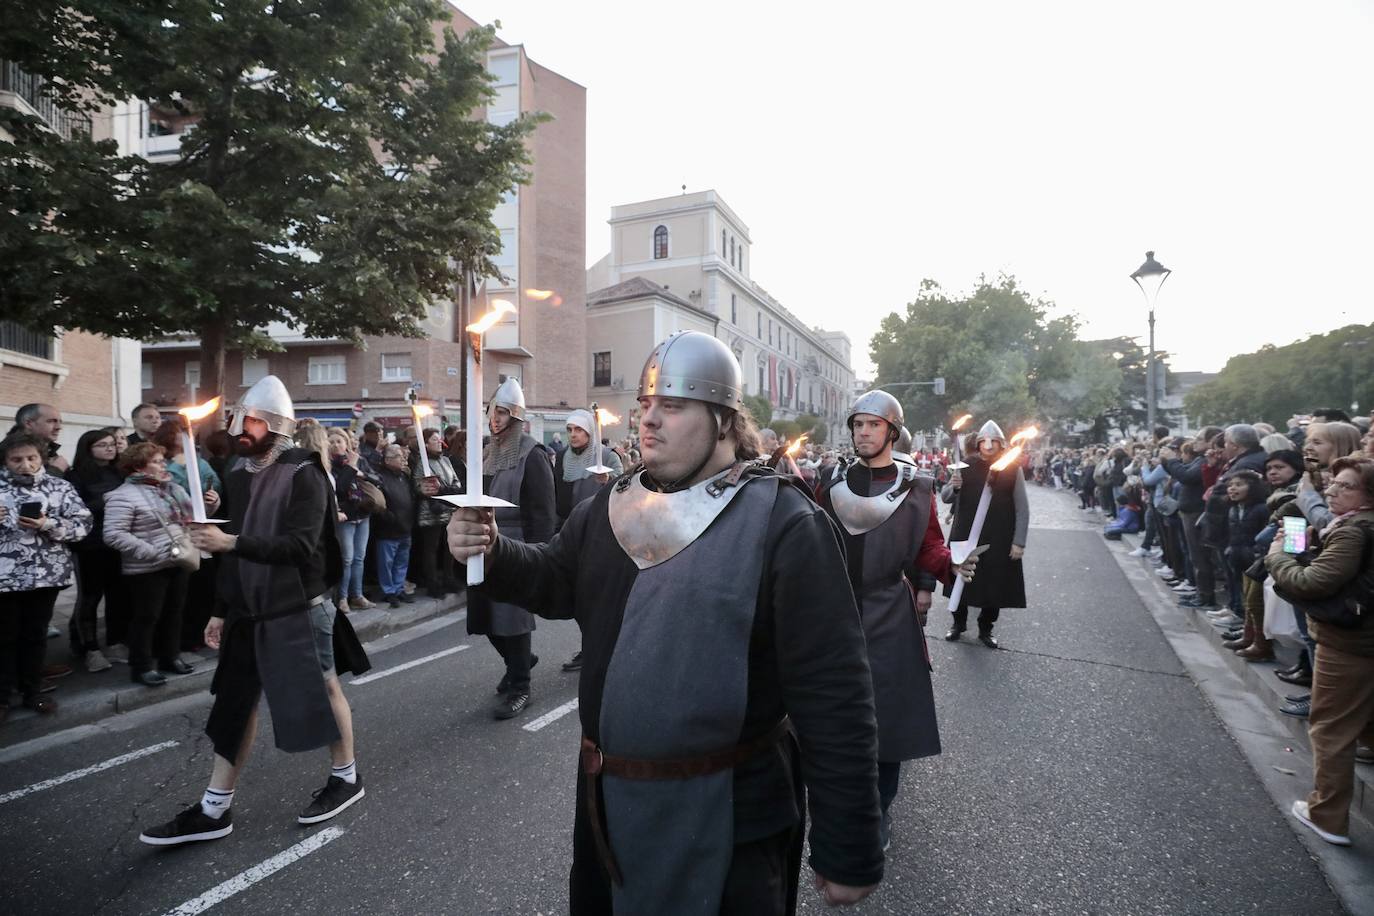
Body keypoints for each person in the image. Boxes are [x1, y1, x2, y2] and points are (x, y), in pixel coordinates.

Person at [446, 331, 885, 912]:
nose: (648, 421)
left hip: (733, 814)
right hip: (608, 805)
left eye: (672, 407)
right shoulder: (605, 508)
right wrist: (494, 550)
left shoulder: (786, 522)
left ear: (725, 420)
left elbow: (834, 693)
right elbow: (554, 580)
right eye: (645, 406)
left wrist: (849, 845)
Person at [139, 375, 370, 846]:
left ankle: (346, 778)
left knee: (323, 689)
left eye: (255, 421)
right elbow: (232, 553)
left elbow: (303, 547)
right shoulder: (238, 475)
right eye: (241, 419)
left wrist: (232, 541)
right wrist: (220, 608)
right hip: (247, 608)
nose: (244, 428)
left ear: (279, 427)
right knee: (235, 703)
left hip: (298, 606)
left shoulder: (306, 473)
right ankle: (214, 808)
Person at [817, 390, 977, 852]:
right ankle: (841, 803)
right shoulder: (831, 481)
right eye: (857, 425)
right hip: (835, 611)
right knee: (835, 717)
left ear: (891, 430)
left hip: (889, 610)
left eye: (872, 425)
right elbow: (807, 538)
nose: (862, 432)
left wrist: (951, 563)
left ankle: (877, 810)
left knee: (886, 721)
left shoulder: (917, 486)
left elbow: (929, 546)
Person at [1266, 456, 1374, 847]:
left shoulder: (1353, 531)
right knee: (1364, 723)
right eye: (1333, 483)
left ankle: (1326, 815)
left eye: (1345, 486)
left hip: (1348, 645)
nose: (1331, 490)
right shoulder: (1349, 526)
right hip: (1363, 642)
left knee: (1331, 728)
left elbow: (1311, 582)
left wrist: (1279, 554)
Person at [466, 377, 555, 720]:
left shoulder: (533, 456)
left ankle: (521, 686)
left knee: (512, 619)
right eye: (492, 411)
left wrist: (539, 558)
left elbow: (543, 512)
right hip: (484, 545)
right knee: (484, 617)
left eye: (503, 412)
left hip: (516, 546)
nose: (495, 418)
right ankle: (519, 661)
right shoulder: (486, 453)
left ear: (516, 418)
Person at [0, 432, 92, 721]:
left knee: (35, 636)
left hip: (45, 575)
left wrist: (47, 523)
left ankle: (33, 691)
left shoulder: (59, 487)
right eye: (16, 459)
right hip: (5, 577)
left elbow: (83, 525)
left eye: (31, 458)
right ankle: (2, 698)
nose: (24, 464)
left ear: (41, 458)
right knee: (4, 637)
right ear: (5, 461)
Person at [102, 443, 198, 687]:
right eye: (157, 461)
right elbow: (113, 533)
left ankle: (170, 657)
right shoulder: (122, 495)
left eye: (163, 460)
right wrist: (152, 552)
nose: (163, 465)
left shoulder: (171, 489)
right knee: (147, 617)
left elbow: (192, 517)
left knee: (175, 613)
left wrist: (211, 502)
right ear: (138, 466)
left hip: (178, 559)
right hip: (147, 567)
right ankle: (142, 666)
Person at [941, 421, 1029, 648]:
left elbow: (1022, 507)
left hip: (998, 536)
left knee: (994, 583)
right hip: (966, 533)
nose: (988, 445)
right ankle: (958, 624)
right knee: (960, 581)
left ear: (1000, 444)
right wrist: (955, 486)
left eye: (993, 441)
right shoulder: (964, 465)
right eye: (984, 441)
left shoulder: (1012, 469)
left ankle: (986, 628)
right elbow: (946, 496)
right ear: (978, 443)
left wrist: (1019, 541)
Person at [552, 409, 623, 673]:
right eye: (570, 430)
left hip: (602, 532)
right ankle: (590, 644)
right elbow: (558, 495)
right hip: (572, 533)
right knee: (579, 596)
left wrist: (609, 480)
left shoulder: (607, 456)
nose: (573, 435)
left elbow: (627, 488)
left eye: (579, 430)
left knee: (601, 594)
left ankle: (604, 644)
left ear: (590, 432)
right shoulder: (561, 458)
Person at [65, 428, 130, 671]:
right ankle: (90, 648)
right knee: (90, 596)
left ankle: (114, 642)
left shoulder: (119, 471)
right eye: (102, 445)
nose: (110, 448)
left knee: (118, 595)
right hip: (90, 545)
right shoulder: (76, 475)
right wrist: (105, 500)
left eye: (112, 444)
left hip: (118, 542)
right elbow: (74, 509)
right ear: (88, 448)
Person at [327, 428, 378, 612]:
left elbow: (377, 479)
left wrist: (361, 473)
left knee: (359, 558)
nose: (335, 445)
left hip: (362, 514)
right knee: (346, 558)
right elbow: (340, 489)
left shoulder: (358, 460)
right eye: (331, 442)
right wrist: (351, 468)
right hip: (345, 517)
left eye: (339, 441)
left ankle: (357, 595)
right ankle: (342, 598)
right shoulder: (328, 465)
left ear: (346, 444)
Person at [412, 427, 462, 598]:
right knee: (431, 550)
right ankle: (432, 583)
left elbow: (456, 483)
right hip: (431, 513)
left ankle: (449, 579)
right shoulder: (421, 463)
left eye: (439, 439)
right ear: (425, 444)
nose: (440, 442)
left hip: (448, 510)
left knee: (449, 548)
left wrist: (446, 490)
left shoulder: (446, 461)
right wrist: (428, 490)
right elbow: (421, 486)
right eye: (434, 439)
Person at [372, 444, 417, 608]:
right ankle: (388, 591)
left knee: (401, 561)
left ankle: (399, 588)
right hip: (388, 529)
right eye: (399, 455)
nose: (403, 458)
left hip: (405, 527)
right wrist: (387, 517)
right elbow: (377, 504)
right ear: (388, 460)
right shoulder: (380, 477)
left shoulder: (403, 476)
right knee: (387, 563)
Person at [9, 403, 69, 475]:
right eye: (51, 421)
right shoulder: (7, 452)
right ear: (28, 424)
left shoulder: (50, 451)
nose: (59, 427)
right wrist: (55, 470)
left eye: (60, 422)